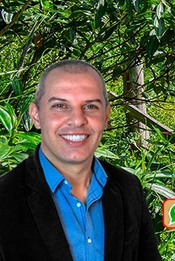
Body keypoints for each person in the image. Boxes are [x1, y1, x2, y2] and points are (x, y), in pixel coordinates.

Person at [0, 59, 161, 261]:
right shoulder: (5, 198)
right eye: (60, 105)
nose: (77, 120)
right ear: (36, 115)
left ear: (106, 115)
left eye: (90, 106)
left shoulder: (128, 188)